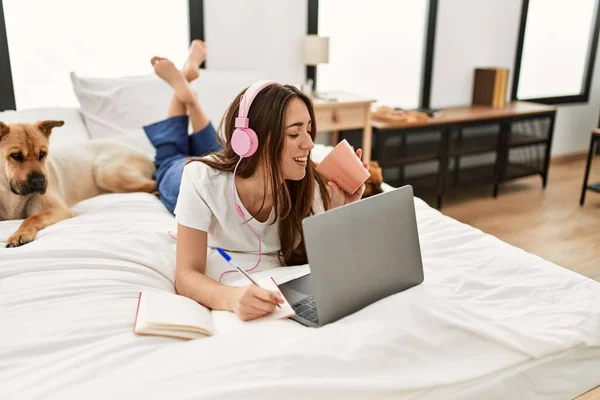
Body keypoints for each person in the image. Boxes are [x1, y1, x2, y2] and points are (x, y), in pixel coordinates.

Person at [143, 41, 368, 321]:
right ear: (253, 141)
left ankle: (189, 91)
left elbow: (328, 267)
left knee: (215, 147)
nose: (310, 144)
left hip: (235, 160)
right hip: (189, 175)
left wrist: (337, 214)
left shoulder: (311, 186)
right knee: (169, 158)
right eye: (295, 134)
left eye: (309, 131)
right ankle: (185, 90)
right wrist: (232, 297)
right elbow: (186, 275)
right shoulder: (202, 179)